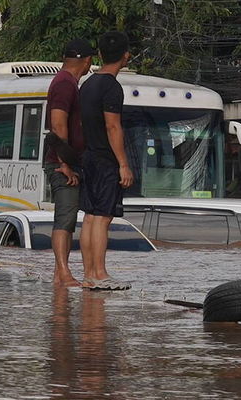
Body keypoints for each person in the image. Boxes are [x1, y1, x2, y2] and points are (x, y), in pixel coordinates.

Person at [78, 31, 134, 290]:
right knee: (102, 217)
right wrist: (123, 163)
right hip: (104, 160)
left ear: (99, 54)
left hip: (88, 156)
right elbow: (113, 127)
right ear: (126, 56)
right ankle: (100, 274)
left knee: (90, 216)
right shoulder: (112, 87)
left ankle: (89, 274)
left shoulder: (87, 84)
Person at [44, 38, 94, 287]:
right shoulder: (65, 83)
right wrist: (65, 163)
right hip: (60, 162)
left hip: (64, 160)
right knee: (65, 218)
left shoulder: (66, 82)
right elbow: (58, 123)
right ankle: (63, 272)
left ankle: (59, 275)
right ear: (87, 61)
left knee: (69, 217)